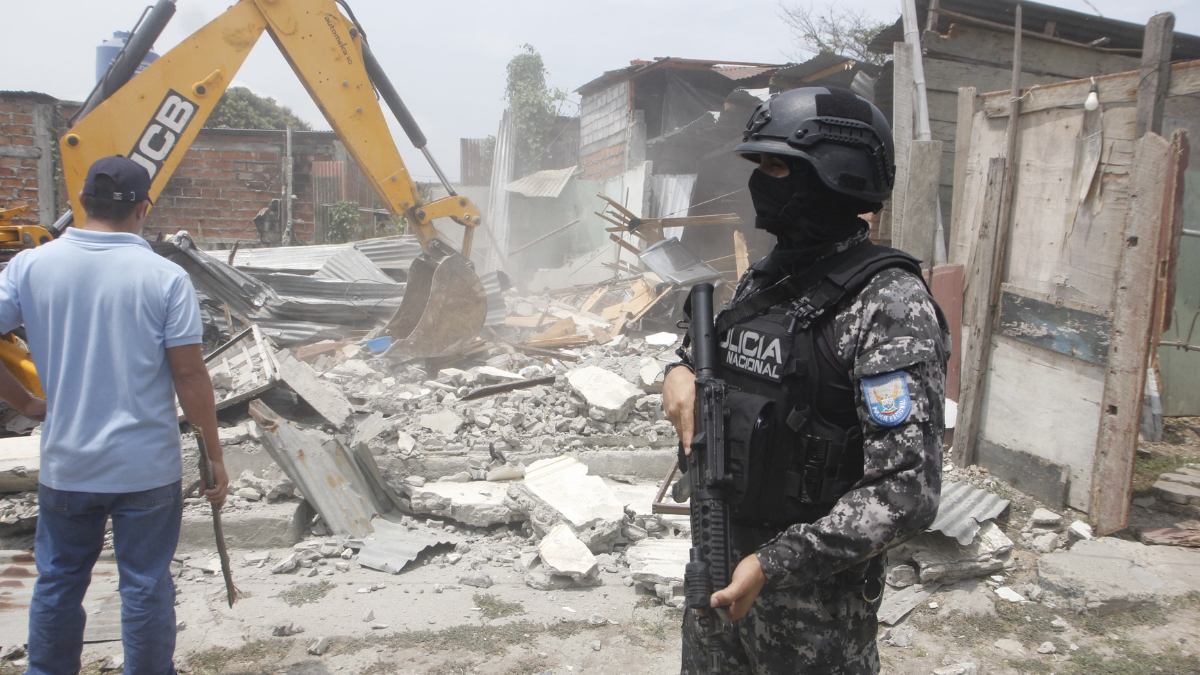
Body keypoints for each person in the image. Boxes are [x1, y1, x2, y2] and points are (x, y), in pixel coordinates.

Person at [665, 87, 950, 675]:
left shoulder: (888, 302)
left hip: (813, 619)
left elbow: (905, 492)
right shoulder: (767, 281)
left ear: (832, 176)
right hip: (716, 572)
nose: (759, 183)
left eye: (775, 166)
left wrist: (775, 562)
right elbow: (708, 357)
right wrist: (678, 371)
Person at [0, 156, 229, 675]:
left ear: (81, 202)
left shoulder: (32, 265)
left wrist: (27, 404)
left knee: (59, 581)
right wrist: (214, 455)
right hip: (145, 469)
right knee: (145, 585)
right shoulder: (165, 278)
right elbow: (190, 378)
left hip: (67, 464)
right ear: (144, 209)